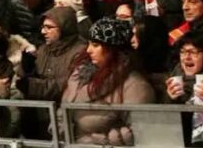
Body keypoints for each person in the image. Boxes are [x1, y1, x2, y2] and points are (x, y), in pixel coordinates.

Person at [60, 17, 156, 145]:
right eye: (88, 44)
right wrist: (59, 124)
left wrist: (111, 140)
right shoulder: (79, 76)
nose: (88, 50)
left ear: (112, 49)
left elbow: (143, 131)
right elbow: (64, 106)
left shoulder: (134, 85)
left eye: (95, 45)